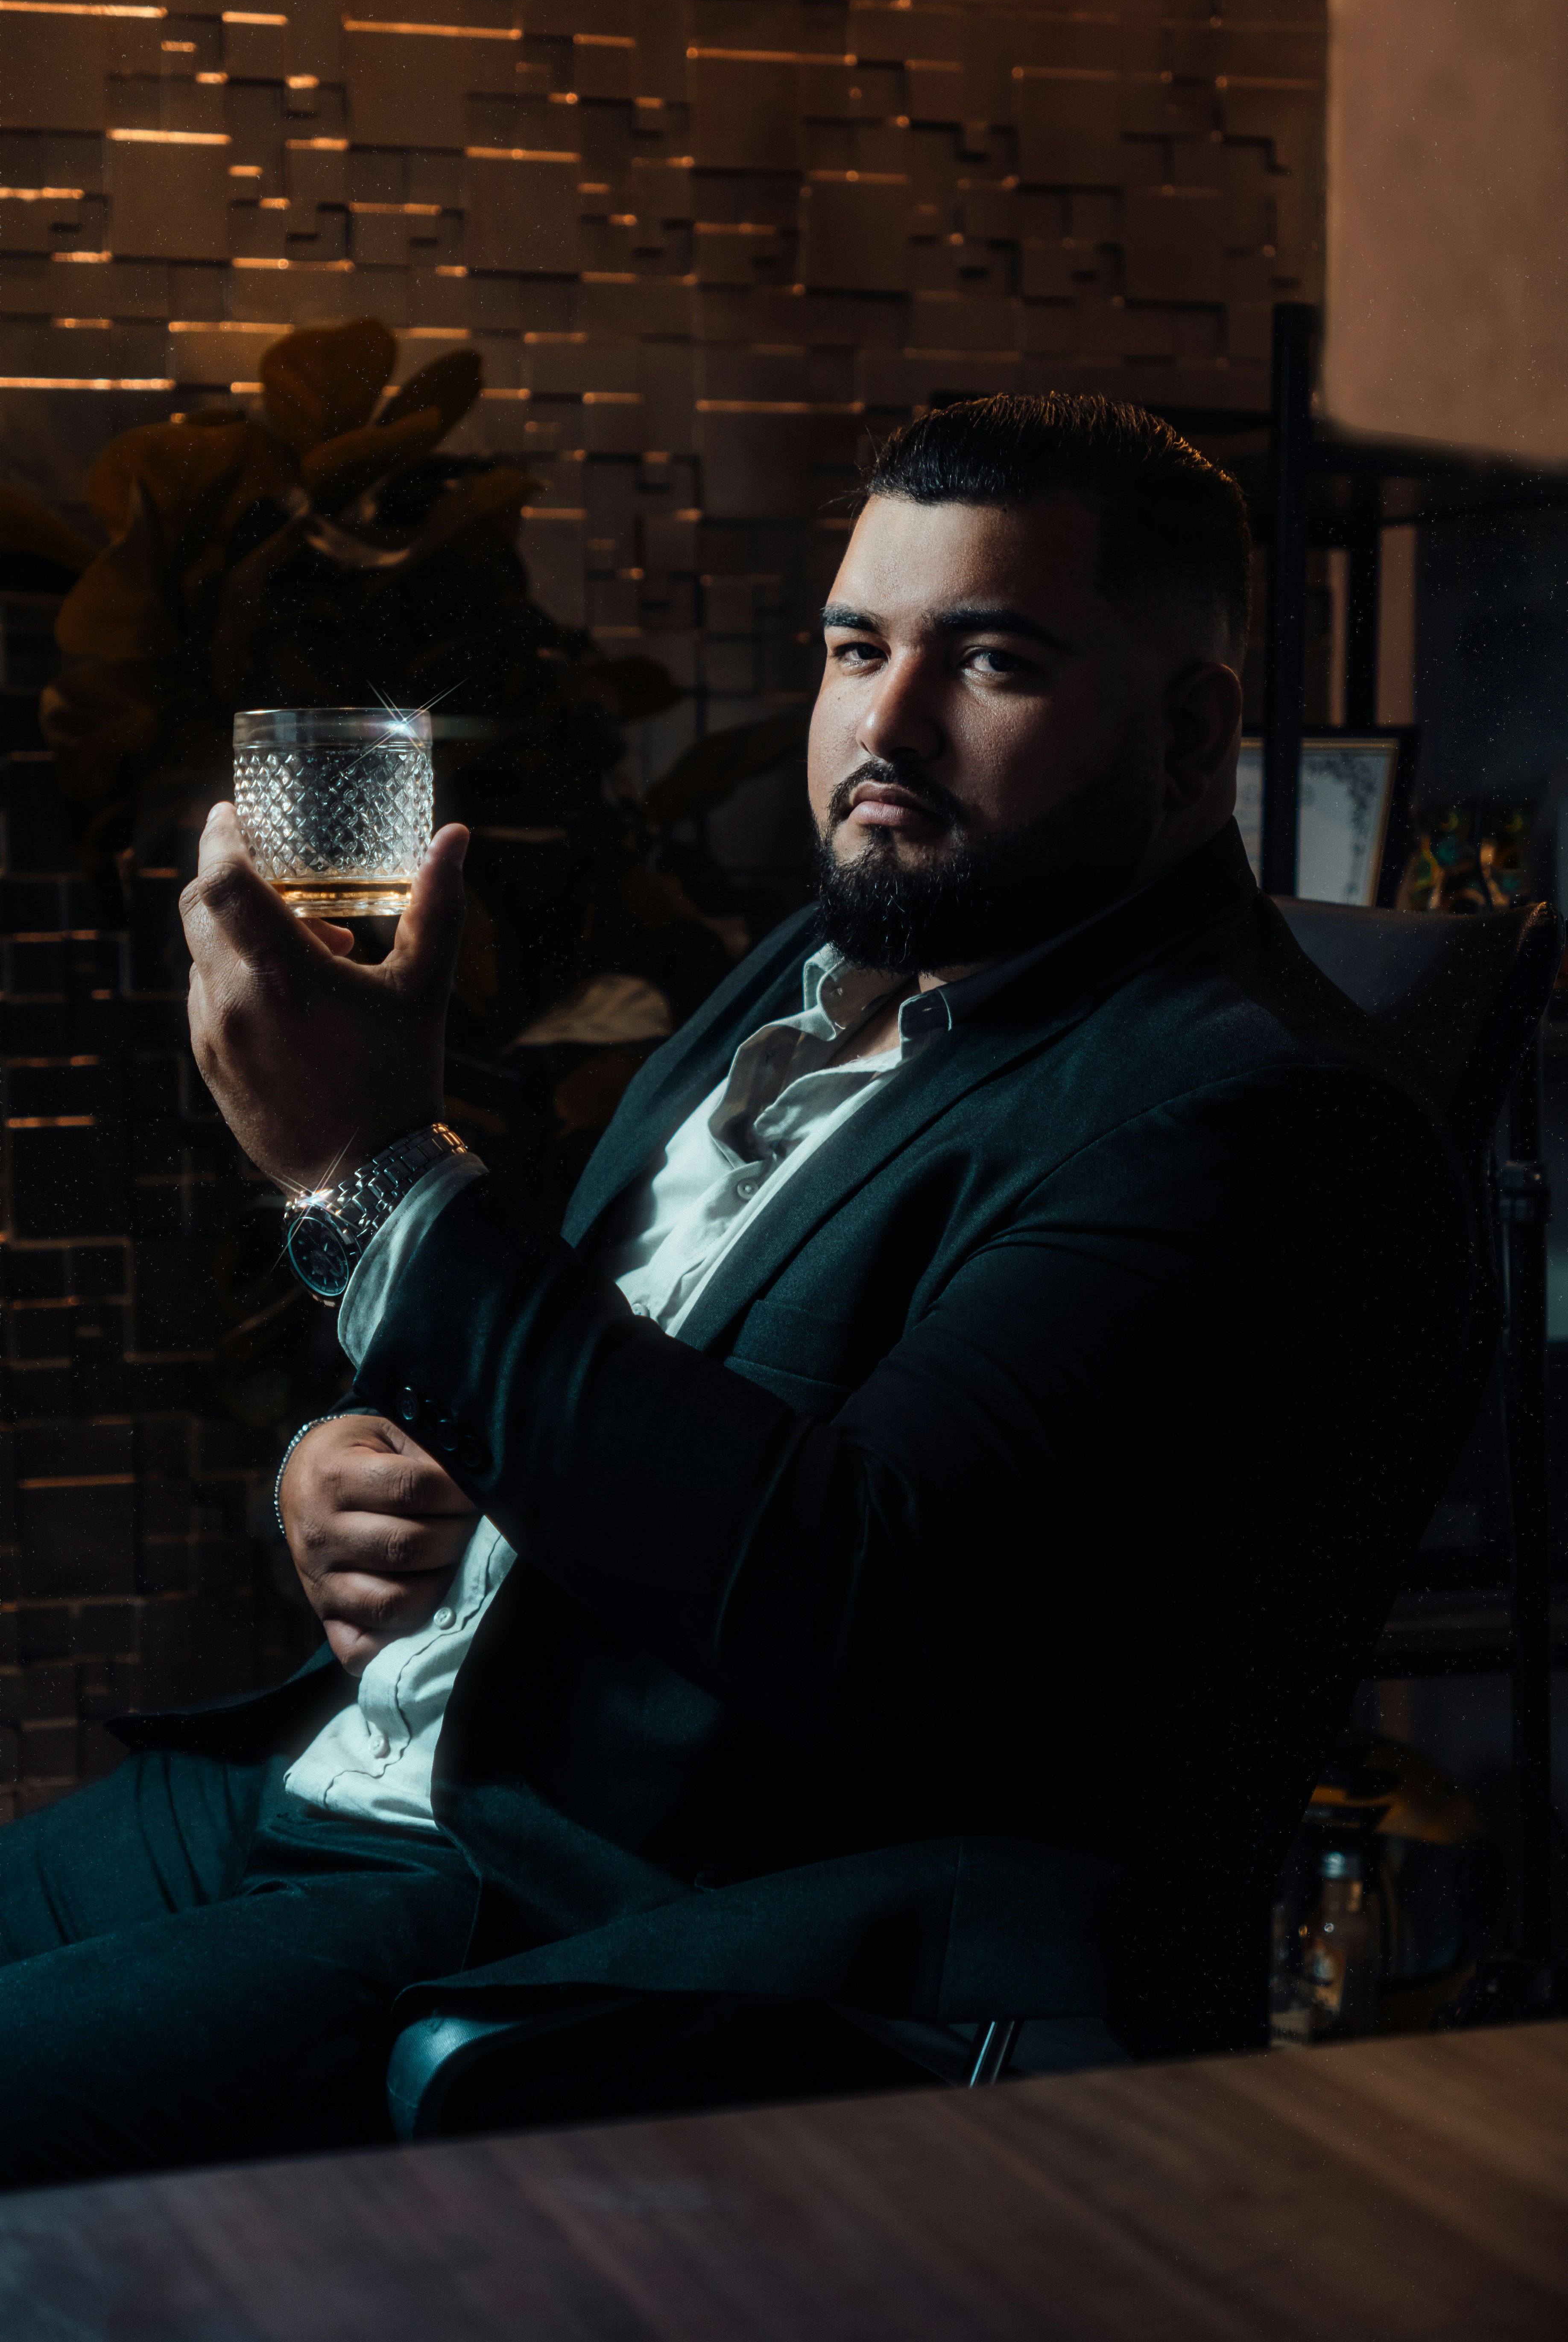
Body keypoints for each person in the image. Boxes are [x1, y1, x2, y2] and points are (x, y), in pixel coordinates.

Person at [0, 395, 1476, 2188]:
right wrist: (371, 1461)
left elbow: (846, 1584)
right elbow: (619, 1382)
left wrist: (376, 1180)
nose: (885, 724)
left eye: (990, 659)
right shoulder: (831, 958)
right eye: (858, 647)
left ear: (1190, 735)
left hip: (589, 1897)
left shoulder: (1251, 1122)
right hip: (368, 1772)